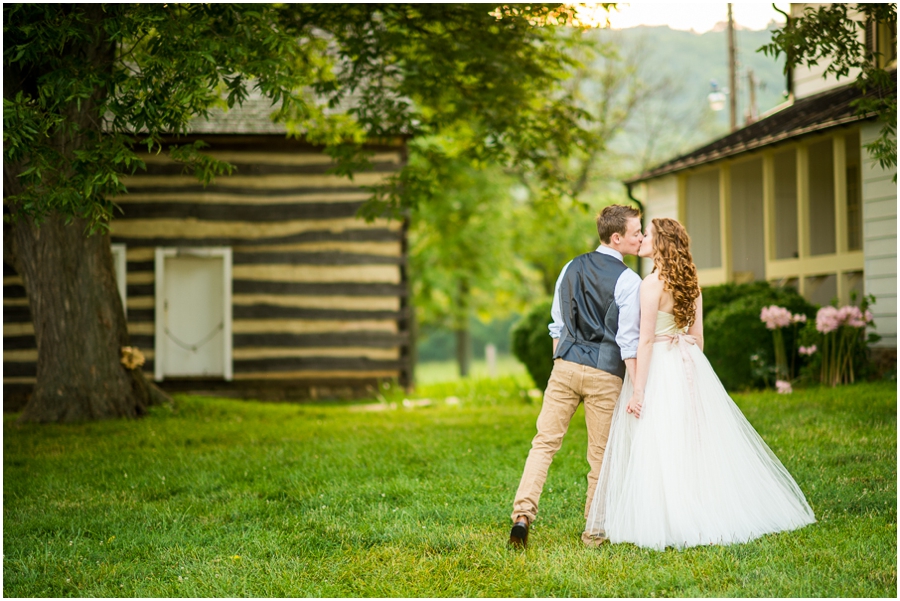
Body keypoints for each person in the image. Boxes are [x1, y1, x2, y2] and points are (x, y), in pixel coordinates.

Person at [585, 218, 815, 551]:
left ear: (661, 243)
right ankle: (703, 502)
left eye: (647, 234)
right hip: (689, 363)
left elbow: (645, 341)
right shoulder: (691, 282)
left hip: (661, 362)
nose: (643, 239)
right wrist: (691, 369)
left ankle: (668, 516)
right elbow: (698, 337)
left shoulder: (650, 285)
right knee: (693, 437)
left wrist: (638, 390)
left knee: (659, 438)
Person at [509, 204, 643, 549]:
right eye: (636, 232)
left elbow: (558, 322)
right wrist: (637, 384)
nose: (640, 237)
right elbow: (628, 339)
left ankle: (522, 515)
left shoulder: (571, 266)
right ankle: (593, 532)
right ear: (617, 238)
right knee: (599, 455)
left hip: (565, 367)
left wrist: (562, 358)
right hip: (605, 373)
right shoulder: (630, 281)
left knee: (543, 444)